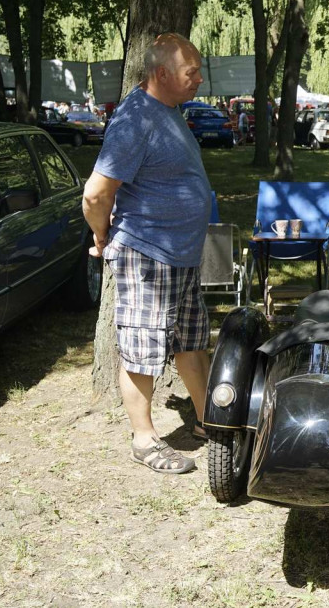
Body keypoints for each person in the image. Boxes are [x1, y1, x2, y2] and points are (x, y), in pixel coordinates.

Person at [82, 32, 211, 475]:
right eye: (191, 72)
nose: (199, 81)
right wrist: (101, 237)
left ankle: (209, 420)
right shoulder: (135, 119)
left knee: (190, 342)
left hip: (180, 255)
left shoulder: (168, 111)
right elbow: (96, 194)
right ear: (161, 74)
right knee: (141, 350)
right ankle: (144, 439)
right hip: (148, 255)